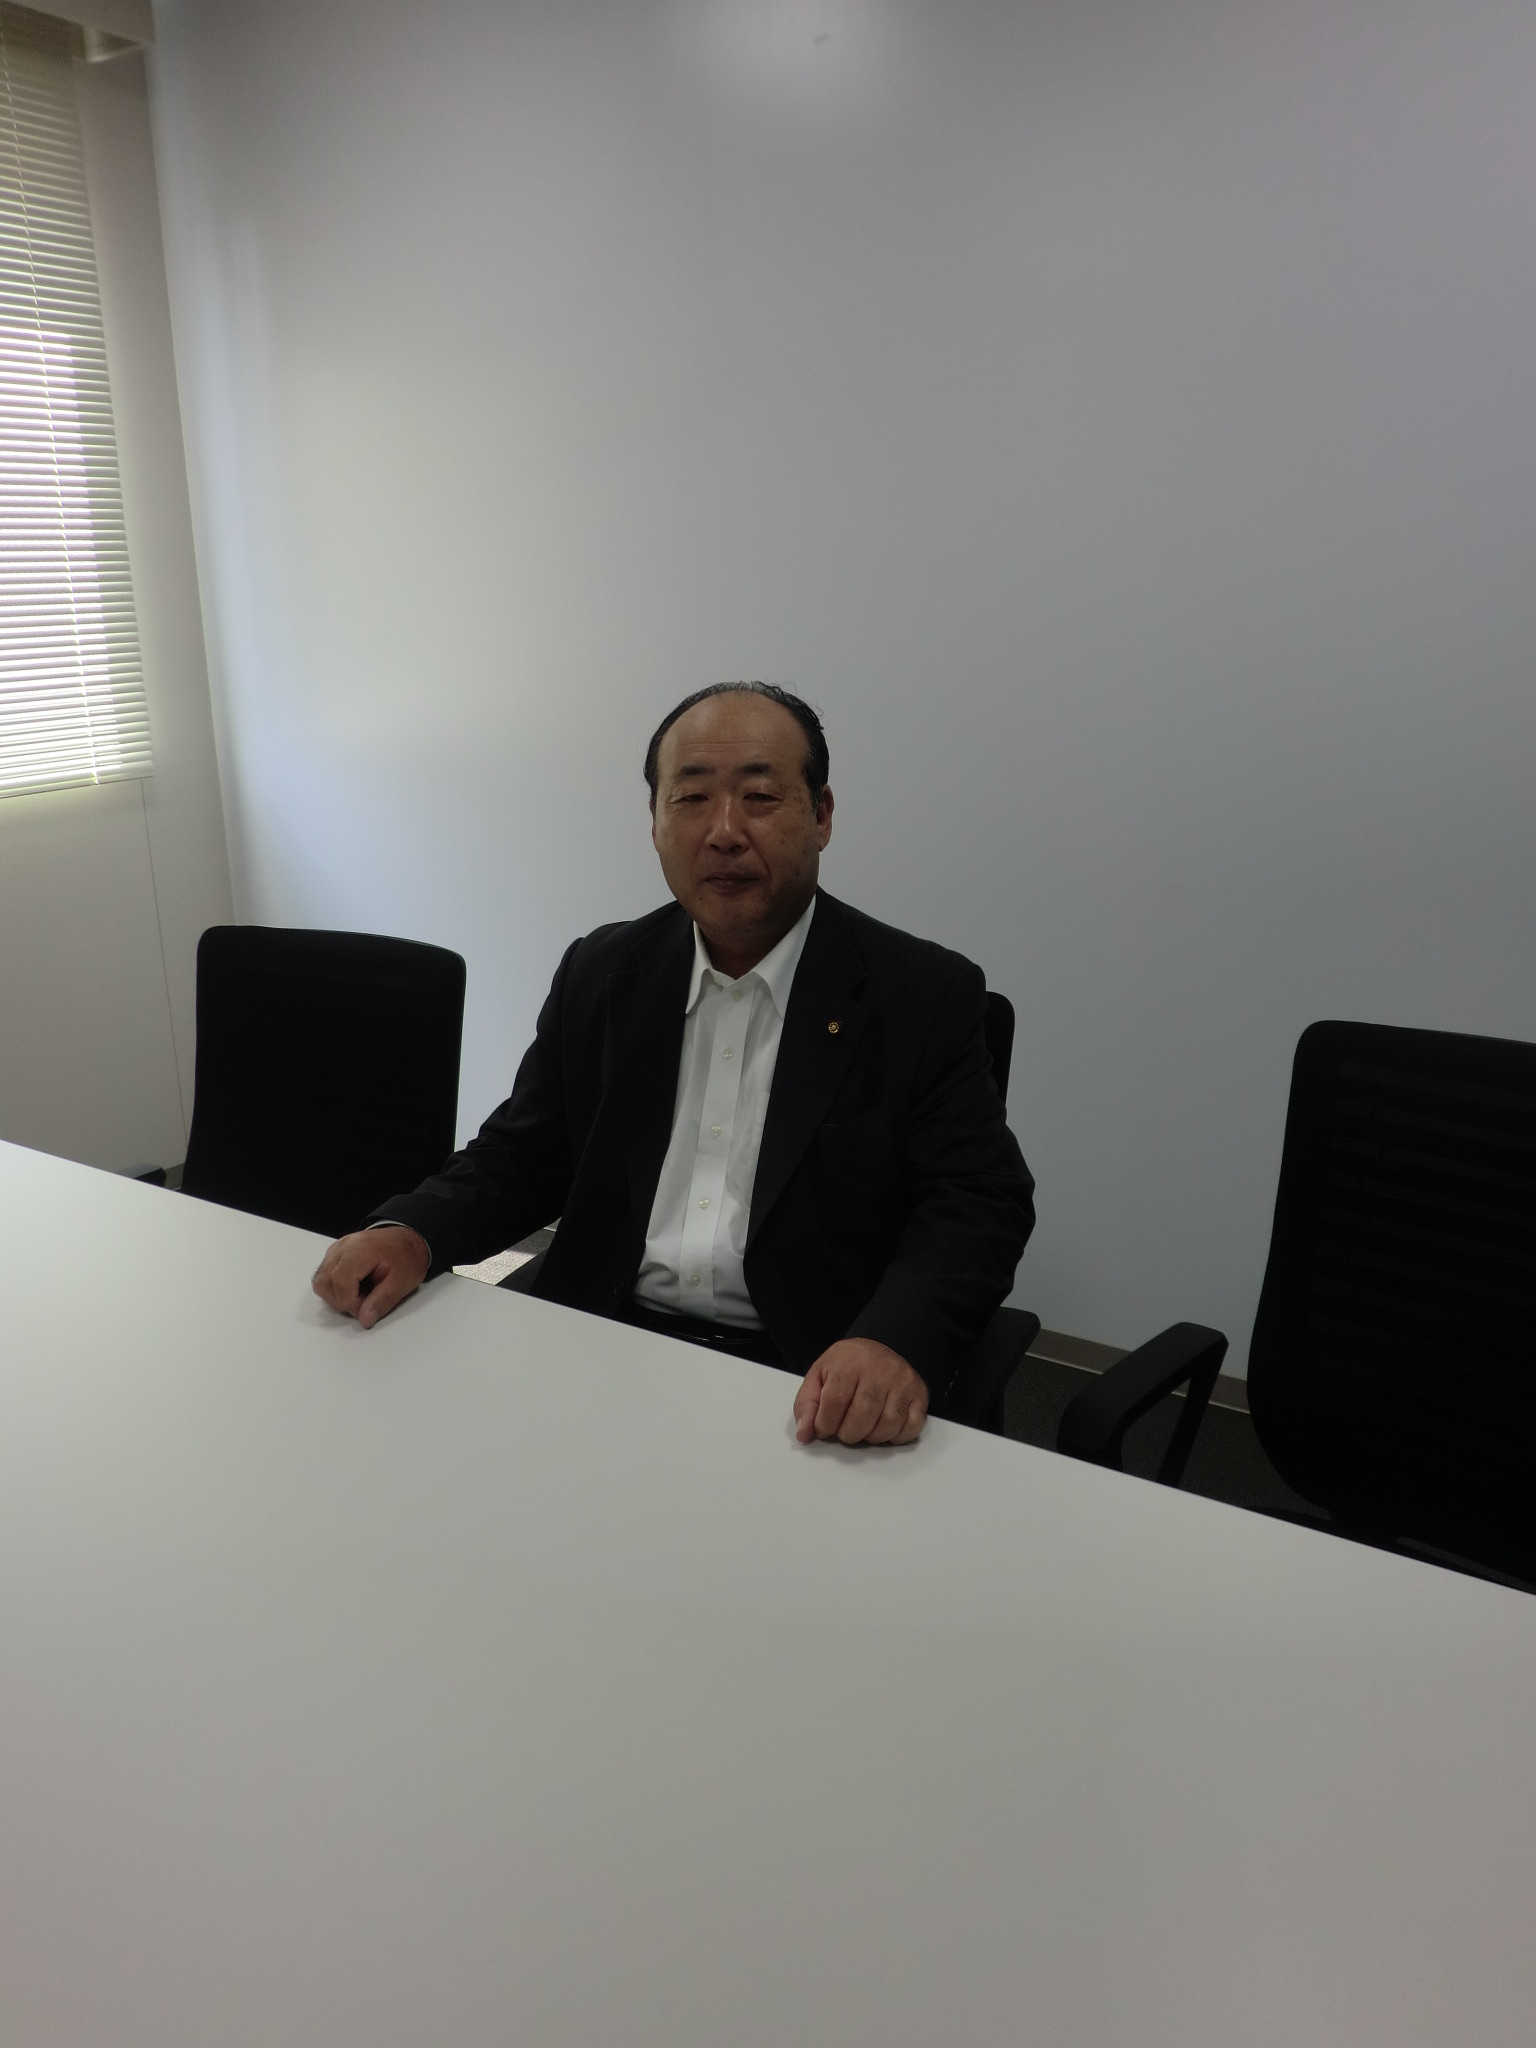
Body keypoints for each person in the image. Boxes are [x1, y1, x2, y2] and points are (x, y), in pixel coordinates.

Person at [312, 684, 1034, 1445]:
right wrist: (411, 1230)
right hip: (599, 1342)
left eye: (760, 797)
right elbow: (524, 1154)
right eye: (691, 799)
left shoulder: (921, 994)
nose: (724, 832)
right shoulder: (603, 971)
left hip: (807, 1378)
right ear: (655, 823)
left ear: (821, 815)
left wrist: (894, 1340)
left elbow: (977, 1202)